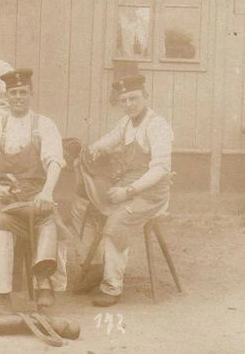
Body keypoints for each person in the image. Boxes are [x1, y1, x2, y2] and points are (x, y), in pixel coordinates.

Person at [71, 74, 173, 307]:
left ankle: (112, 286)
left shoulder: (158, 127)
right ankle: (97, 266)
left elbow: (161, 169)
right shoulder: (126, 123)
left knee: (118, 219)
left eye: (133, 99)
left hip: (152, 192)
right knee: (81, 206)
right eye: (123, 100)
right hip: (127, 184)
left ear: (145, 97)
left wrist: (129, 191)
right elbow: (109, 140)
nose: (128, 104)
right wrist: (93, 151)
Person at [0, 69, 67, 313]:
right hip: (4, 195)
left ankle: (44, 284)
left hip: (36, 193)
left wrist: (47, 192)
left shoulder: (44, 125)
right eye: (13, 92)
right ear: (6, 95)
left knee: (49, 220)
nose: (18, 97)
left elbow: (55, 161)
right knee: (1, 227)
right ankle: (2, 293)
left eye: (23, 92)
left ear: (31, 93)